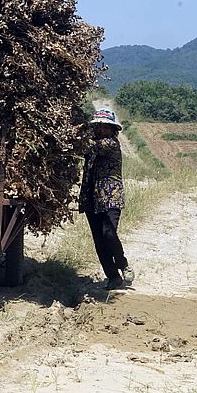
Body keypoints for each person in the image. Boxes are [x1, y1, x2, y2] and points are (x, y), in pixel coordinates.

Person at [78, 109, 133, 290]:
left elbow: (87, 147)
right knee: (99, 240)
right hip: (91, 198)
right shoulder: (93, 144)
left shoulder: (110, 144)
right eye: (98, 126)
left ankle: (123, 263)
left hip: (110, 196)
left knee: (108, 233)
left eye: (105, 126)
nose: (101, 129)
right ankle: (113, 277)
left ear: (112, 129)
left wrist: (74, 135)